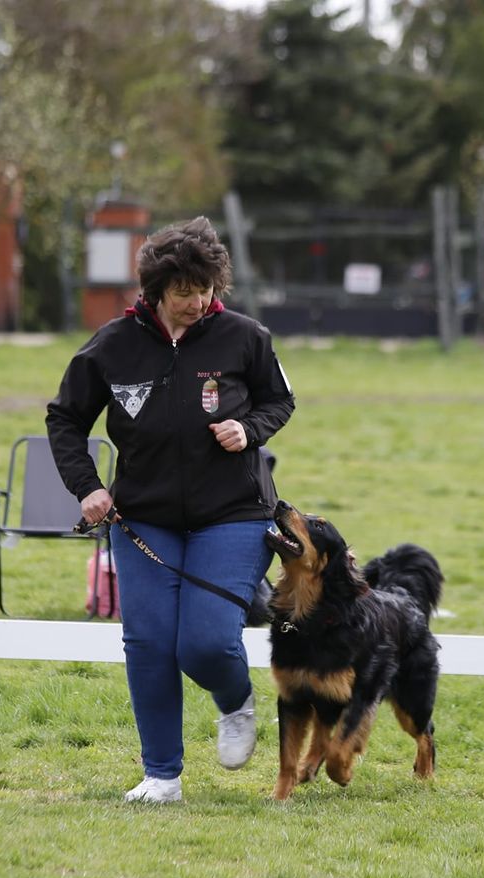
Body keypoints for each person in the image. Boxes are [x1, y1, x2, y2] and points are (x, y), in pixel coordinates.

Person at [46, 216, 295, 803]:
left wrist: (249, 428)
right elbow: (64, 418)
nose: (197, 302)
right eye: (184, 291)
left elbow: (280, 399)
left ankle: (235, 702)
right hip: (144, 520)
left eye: (205, 289)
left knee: (205, 643)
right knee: (151, 643)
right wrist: (87, 487)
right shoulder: (113, 345)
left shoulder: (245, 336)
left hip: (234, 514)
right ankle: (162, 777)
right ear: (156, 289)